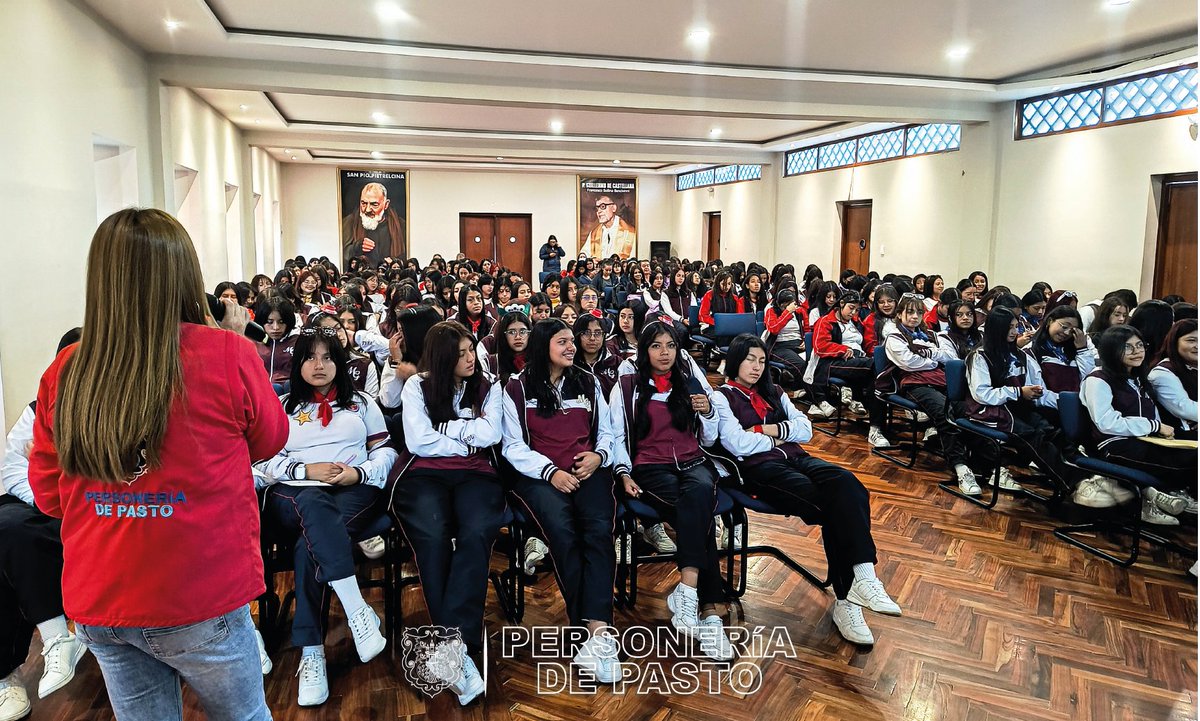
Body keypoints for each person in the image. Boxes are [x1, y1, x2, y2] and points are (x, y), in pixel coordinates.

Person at [27, 208, 288, 721]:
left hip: (102, 596)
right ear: (185, 276)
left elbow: (50, 495)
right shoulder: (226, 354)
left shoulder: (67, 369)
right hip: (199, 592)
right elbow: (270, 438)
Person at [710, 335, 900, 646]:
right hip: (759, 470)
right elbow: (738, 444)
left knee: (849, 484)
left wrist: (764, 430)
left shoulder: (774, 392)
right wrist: (782, 435)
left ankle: (864, 580)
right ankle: (848, 599)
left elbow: (806, 429)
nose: (756, 367)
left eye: (762, 361)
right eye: (749, 360)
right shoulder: (722, 397)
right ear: (735, 361)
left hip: (797, 458)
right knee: (835, 508)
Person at [255, 327, 397, 706]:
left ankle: (312, 651)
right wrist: (305, 471)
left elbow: (386, 452)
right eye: (310, 357)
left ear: (340, 362)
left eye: (328, 357)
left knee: (310, 546)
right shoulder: (282, 407)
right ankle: (356, 609)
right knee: (313, 503)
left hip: (352, 489)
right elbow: (262, 461)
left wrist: (359, 473)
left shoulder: (362, 403)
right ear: (297, 362)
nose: (319, 365)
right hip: (293, 492)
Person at [501, 319, 620, 682]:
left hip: (587, 470)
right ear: (543, 346)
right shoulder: (517, 387)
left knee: (598, 531)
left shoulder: (587, 381)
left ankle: (599, 632)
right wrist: (550, 472)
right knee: (563, 534)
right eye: (562, 341)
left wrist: (599, 456)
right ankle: (585, 627)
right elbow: (513, 446)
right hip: (540, 476)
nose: (572, 346)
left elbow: (607, 431)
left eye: (572, 340)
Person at [394, 322, 504, 706]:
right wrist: (465, 438)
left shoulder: (489, 385)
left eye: (471, 349)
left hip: (477, 474)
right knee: (432, 537)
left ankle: (451, 648)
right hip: (424, 474)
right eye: (460, 353)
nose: (470, 358)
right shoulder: (417, 385)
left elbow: (492, 434)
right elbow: (418, 440)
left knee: (477, 531)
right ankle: (458, 652)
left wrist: (445, 429)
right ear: (442, 357)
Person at [609, 321, 734, 661]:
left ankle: (689, 591)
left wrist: (708, 412)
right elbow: (616, 435)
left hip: (694, 462)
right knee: (698, 511)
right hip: (650, 467)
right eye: (656, 346)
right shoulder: (628, 386)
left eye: (670, 346)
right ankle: (710, 612)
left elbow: (709, 437)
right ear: (644, 351)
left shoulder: (690, 382)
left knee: (698, 496)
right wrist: (622, 473)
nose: (664, 353)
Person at [0, 330, 89, 721]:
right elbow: (12, 469)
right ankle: (16, 666)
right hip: (46, 506)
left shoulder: (115, 408)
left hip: (97, 512)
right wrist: (47, 498)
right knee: (6, 528)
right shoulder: (38, 409)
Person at [1080, 325, 1197, 526]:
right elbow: (1106, 422)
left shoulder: (1138, 379)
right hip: (1115, 445)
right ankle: (1165, 494)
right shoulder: (1098, 379)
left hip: (1146, 439)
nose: (1136, 351)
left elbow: (1153, 416)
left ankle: (1163, 494)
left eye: (1140, 345)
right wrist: (1153, 426)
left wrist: (1162, 430)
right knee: (1190, 460)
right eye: (1128, 347)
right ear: (1111, 349)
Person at [883, 294, 978, 494]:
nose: (914, 317)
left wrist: (928, 354)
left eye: (919, 313)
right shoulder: (894, 337)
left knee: (969, 409)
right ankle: (960, 466)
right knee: (945, 412)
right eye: (909, 312)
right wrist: (933, 360)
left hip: (940, 381)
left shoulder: (930, 335)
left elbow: (947, 357)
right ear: (899, 314)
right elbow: (908, 363)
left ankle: (983, 463)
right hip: (915, 385)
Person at [1148, 319, 1198, 445]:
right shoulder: (1162, 373)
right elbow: (1185, 409)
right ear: (1174, 342)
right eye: (1191, 340)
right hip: (1181, 441)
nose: (1197, 346)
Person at [341, 182, 405, 268]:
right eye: (363, 203)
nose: (367, 209)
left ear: (386, 204)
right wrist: (357, 248)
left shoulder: (401, 226)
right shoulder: (349, 222)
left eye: (374, 204)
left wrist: (393, 262)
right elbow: (342, 253)